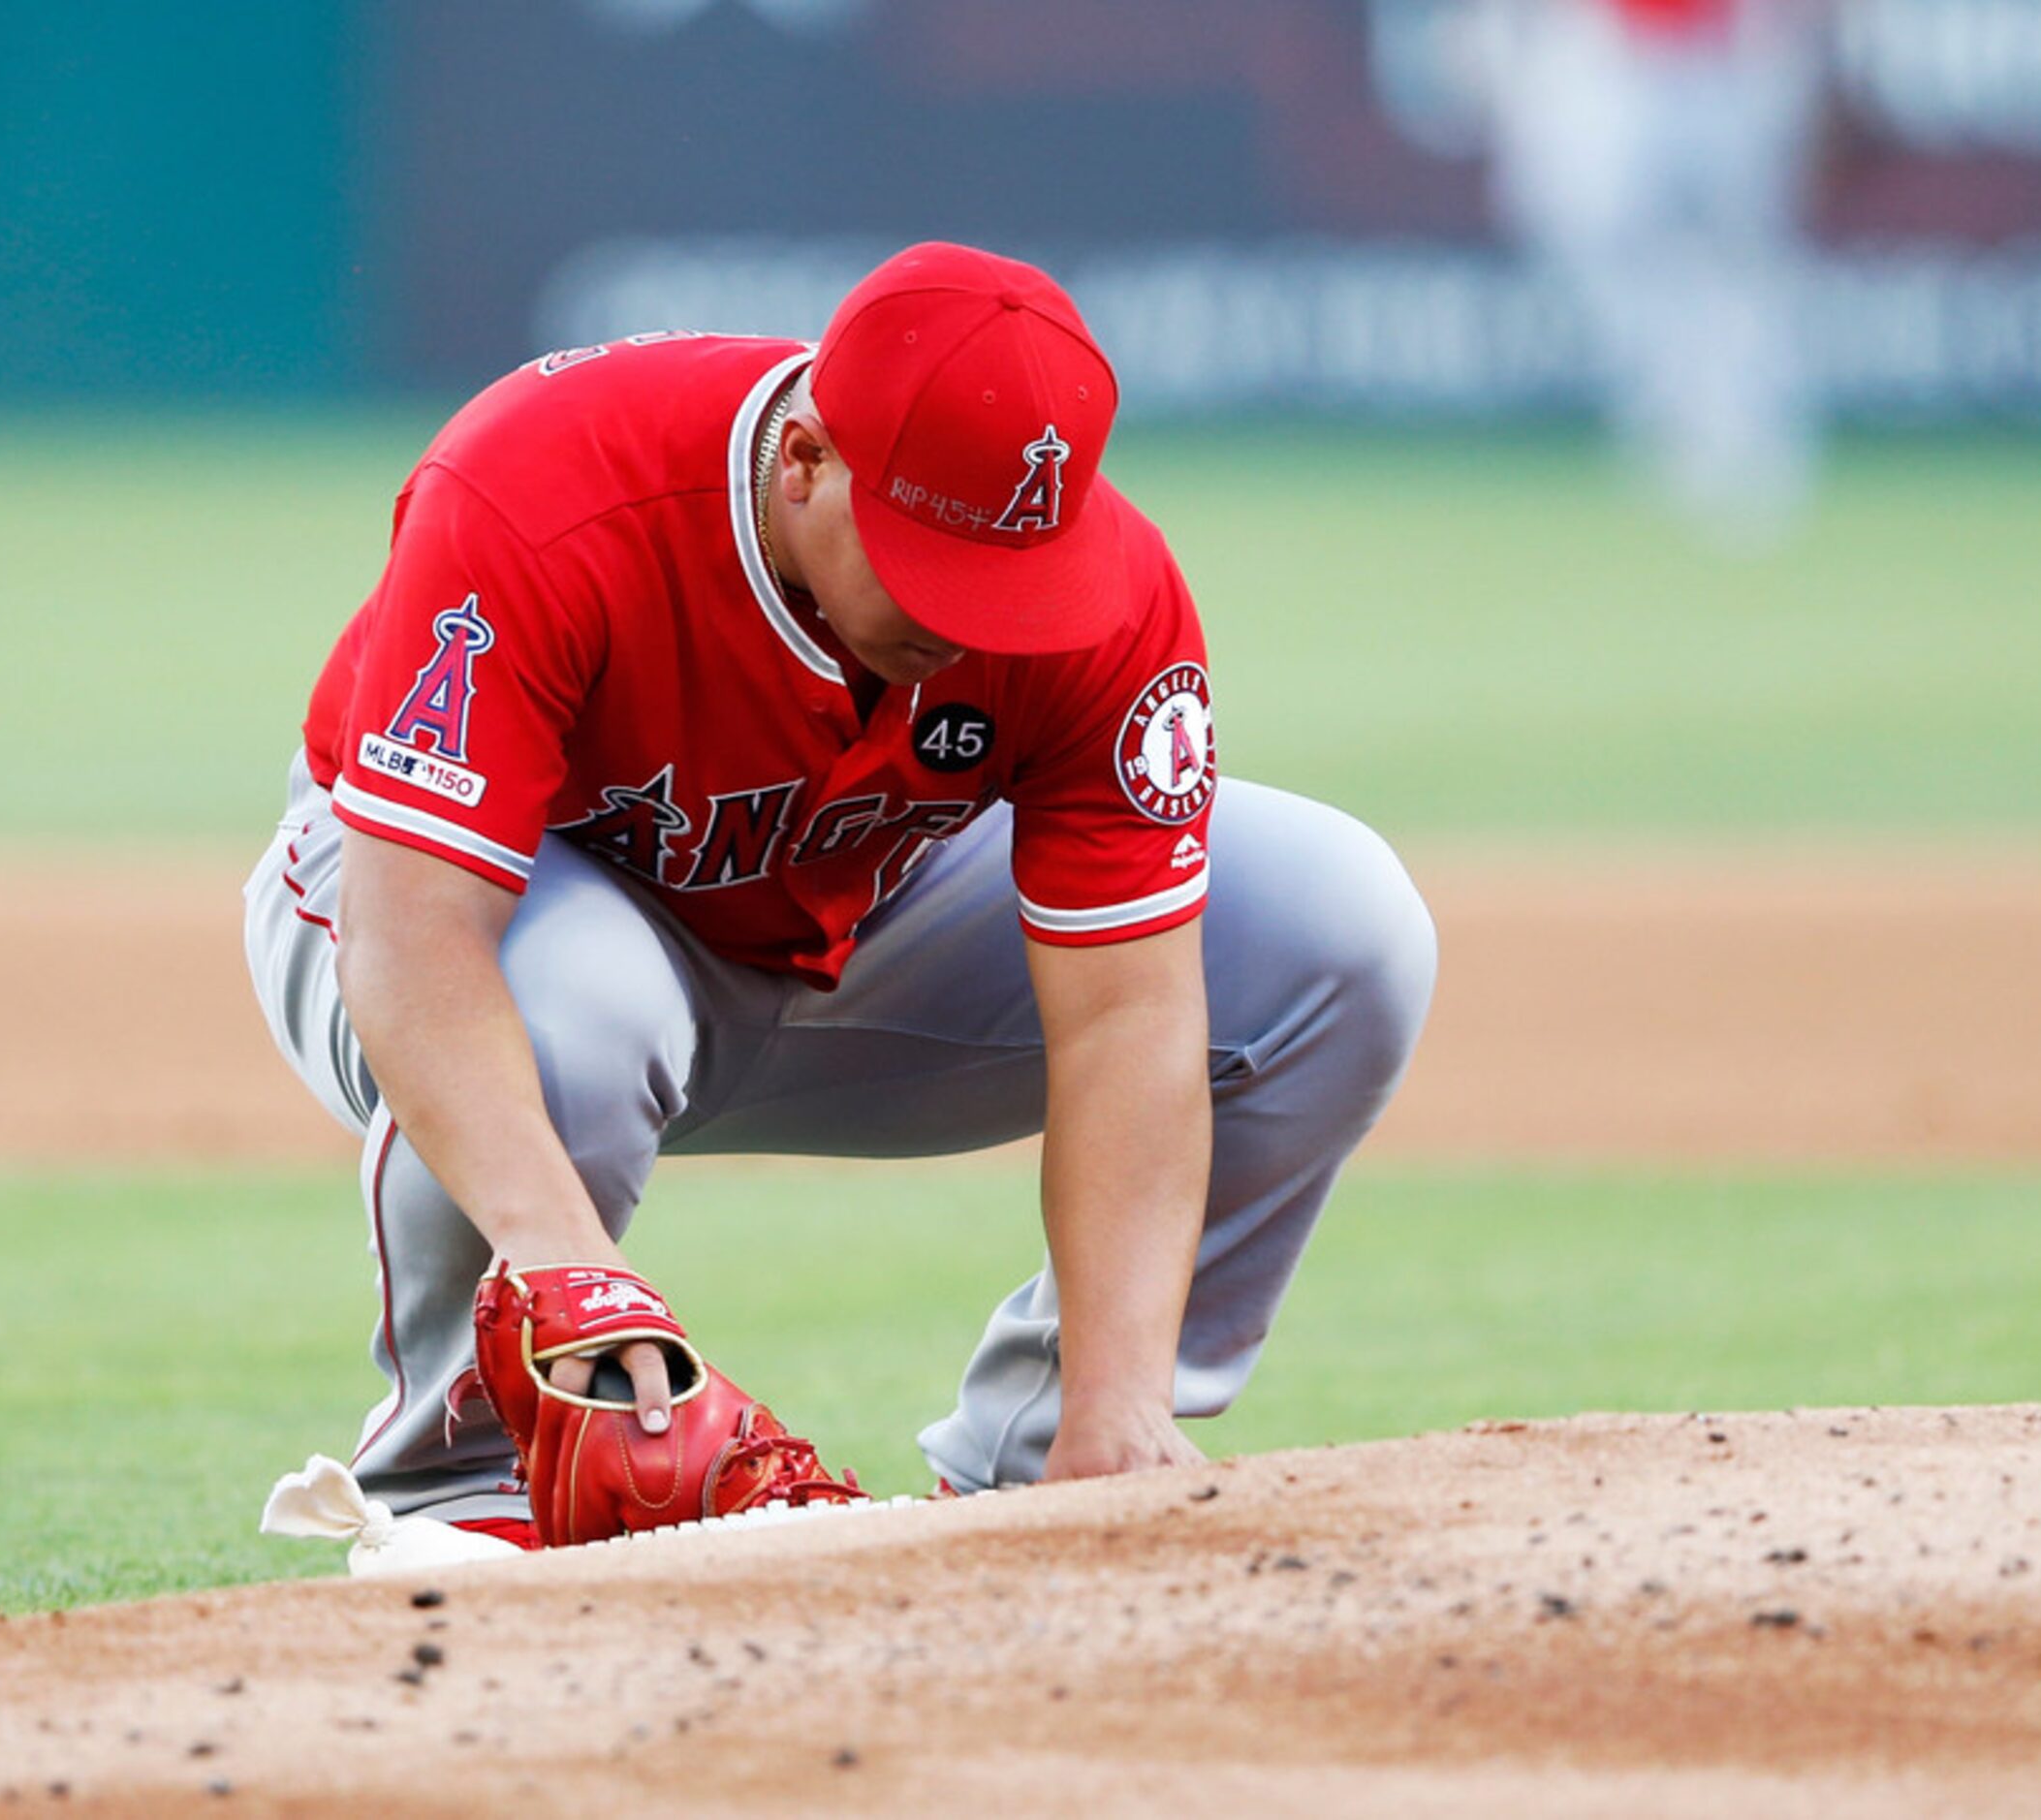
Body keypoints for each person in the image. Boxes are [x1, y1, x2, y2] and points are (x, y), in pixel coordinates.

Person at [243, 242, 1437, 1569]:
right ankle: (458, 1488)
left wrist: (1118, 1392)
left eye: (1013, 573)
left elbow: (1128, 1015)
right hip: (456, 911)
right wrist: (567, 1266)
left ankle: (1052, 1467)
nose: (977, 620)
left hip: (855, 904)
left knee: (1345, 926)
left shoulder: (1108, 592)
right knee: (571, 998)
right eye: (938, 567)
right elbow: (418, 941)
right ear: (805, 456)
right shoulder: (541, 486)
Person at [1475, 0, 1826, 540]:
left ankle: (1750, 446)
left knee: (1735, 267)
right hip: (1608, 61)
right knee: (1602, 244)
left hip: (1725, 64)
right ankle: (1672, 423)